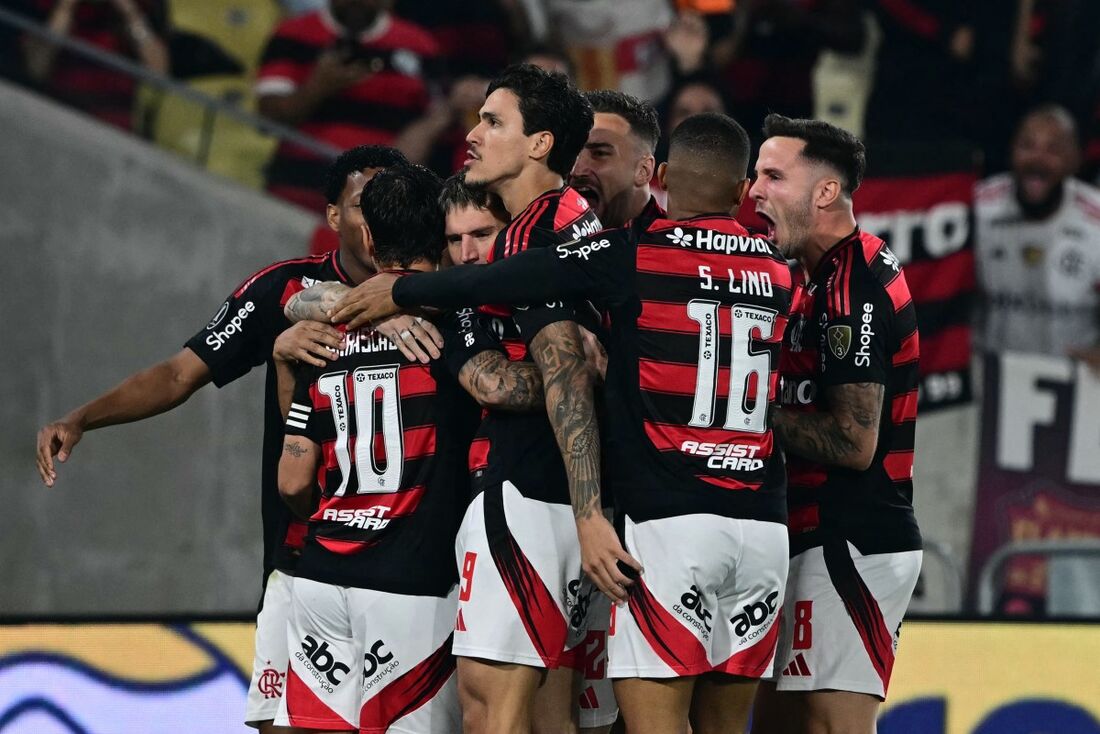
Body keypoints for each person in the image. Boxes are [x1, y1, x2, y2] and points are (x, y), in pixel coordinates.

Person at [324, 112, 794, 734]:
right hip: (764, 528)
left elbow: (520, 274)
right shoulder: (783, 273)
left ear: (664, 179)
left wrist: (404, 293)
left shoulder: (636, 254)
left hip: (671, 522)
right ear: (740, 193)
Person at [33, 145, 439, 734]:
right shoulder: (280, 292)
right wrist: (82, 418)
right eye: (362, 204)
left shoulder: (445, 294)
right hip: (304, 560)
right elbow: (178, 373)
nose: (378, 215)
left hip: (411, 565)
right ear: (333, 217)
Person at [331, 63, 630, 734]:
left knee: (490, 712)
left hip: (529, 495)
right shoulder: (570, 221)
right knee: (550, 713)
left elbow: (562, 377)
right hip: (569, 498)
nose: (473, 133)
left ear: (539, 144)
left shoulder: (536, 228)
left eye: (494, 121)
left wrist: (586, 517)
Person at [274, 164, 478, 733]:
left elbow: (292, 482)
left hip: (319, 575)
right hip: (410, 581)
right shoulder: (457, 325)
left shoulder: (328, 336)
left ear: (367, 239)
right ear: (442, 237)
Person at [747, 114, 922, 734]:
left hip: (852, 538)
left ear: (825, 192)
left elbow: (853, 442)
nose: (754, 191)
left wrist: (746, 414)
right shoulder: (815, 277)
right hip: (812, 539)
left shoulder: (854, 285)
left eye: (772, 176)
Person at [255, 0, 438, 212]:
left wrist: (426, 130)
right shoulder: (293, 33)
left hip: (377, 208)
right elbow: (267, 119)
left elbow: (438, 116)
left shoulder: (420, 46)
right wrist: (317, 86)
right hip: (296, 197)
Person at [975, 104, 1100, 360]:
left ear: (1075, 159)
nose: (1037, 159)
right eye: (1027, 146)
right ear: (1011, 152)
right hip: (987, 380)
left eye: (1053, 149)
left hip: (1079, 386)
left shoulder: (1095, 220)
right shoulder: (977, 209)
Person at [20, 0, 169, 130]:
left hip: (113, 129)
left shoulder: (143, 6)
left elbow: (157, 74)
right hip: (56, 117)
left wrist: (131, 14)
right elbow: (35, 69)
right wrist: (65, 8)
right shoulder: (48, 4)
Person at [570, 89, 662, 230]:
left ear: (644, 170)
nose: (577, 171)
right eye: (573, 152)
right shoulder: (542, 240)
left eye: (599, 154)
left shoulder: (676, 249)